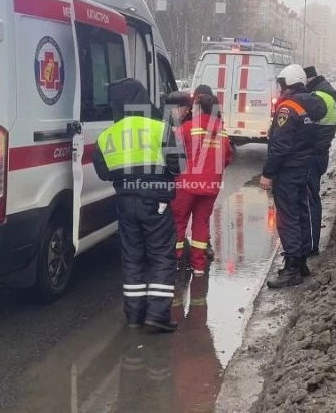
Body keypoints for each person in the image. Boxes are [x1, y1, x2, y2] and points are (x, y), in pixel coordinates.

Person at [93, 78, 186, 333]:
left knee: (132, 258)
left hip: (124, 202)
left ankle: (134, 316)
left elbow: (103, 172)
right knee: (161, 258)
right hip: (155, 202)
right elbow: (179, 165)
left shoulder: (107, 135)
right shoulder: (159, 127)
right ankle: (157, 317)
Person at [261, 64, 326, 288]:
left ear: (289, 83)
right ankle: (300, 262)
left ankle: (291, 269)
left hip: (287, 171)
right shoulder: (310, 106)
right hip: (303, 167)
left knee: (287, 218)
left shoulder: (288, 108)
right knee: (301, 213)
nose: (279, 89)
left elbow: (280, 146)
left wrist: (267, 173)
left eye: (281, 84)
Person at [172, 91, 233, 275]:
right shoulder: (222, 131)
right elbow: (228, 157)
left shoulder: (187, 128)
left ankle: (175, 261)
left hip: (186, 185)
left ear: (199, 108)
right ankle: (198, 266)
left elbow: (173, 155)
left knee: (179, 222)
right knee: (201, 223)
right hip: (211, 186)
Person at [303, 66, 336, 257]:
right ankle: (312, 243)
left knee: (311, 199)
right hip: (321, 154)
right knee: (313, 198)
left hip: (312, 155)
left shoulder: (317, 97)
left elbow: (307, 126)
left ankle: (311, 245)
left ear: (308, 80)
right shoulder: (327, 94)